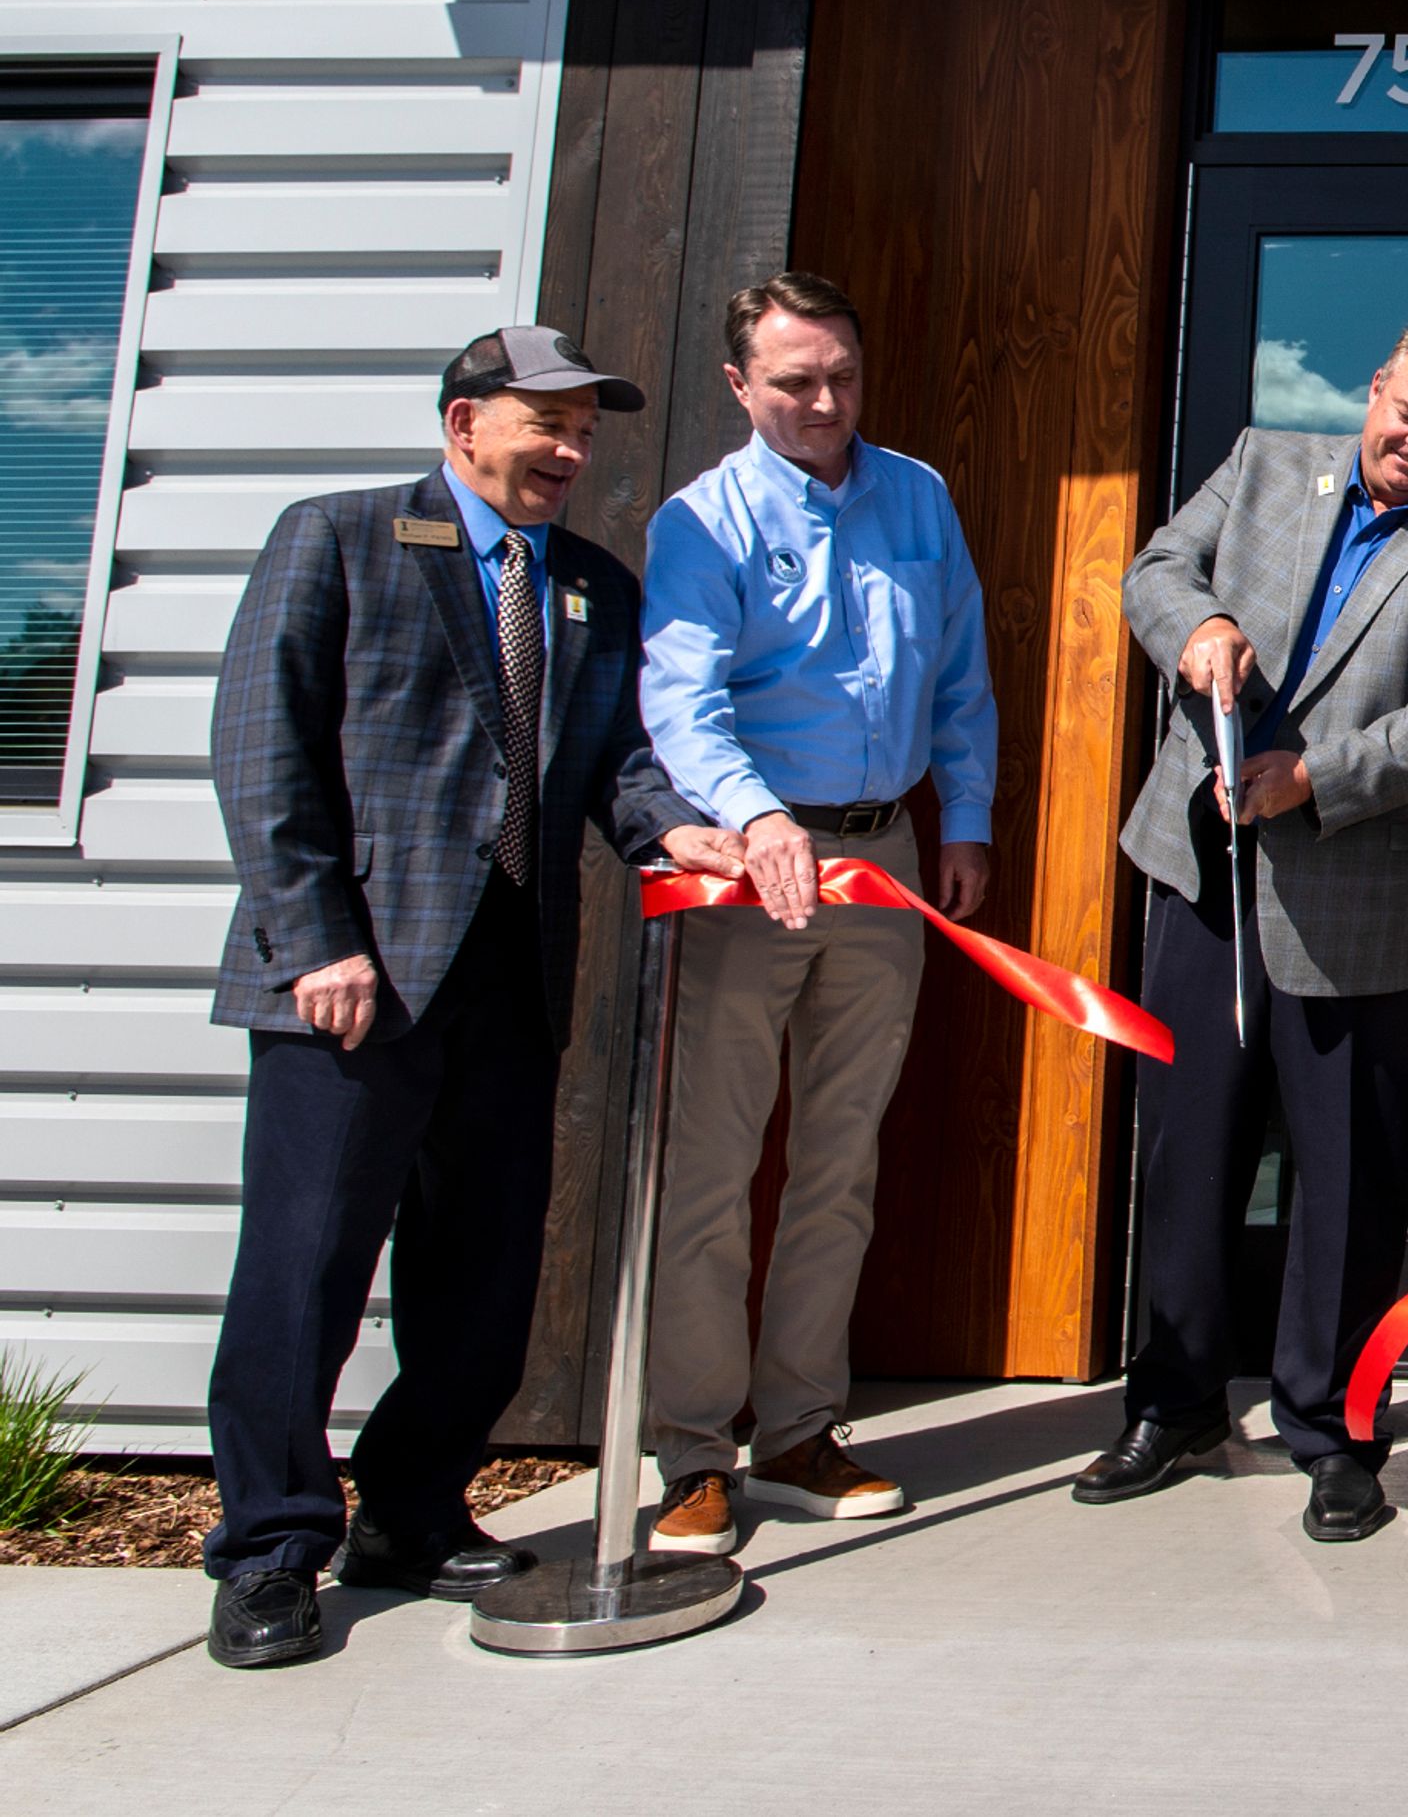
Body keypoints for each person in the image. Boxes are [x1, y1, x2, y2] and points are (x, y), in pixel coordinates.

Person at [198, 327, 744, 1671]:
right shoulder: (335, 538)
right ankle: (270, 1547)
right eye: (541, 423)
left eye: (582, 430)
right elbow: (262, 750)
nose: (566, 451)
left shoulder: (590, 591)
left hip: (512, 974)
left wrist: (680, 831)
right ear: (462, 424)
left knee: (486, 1269)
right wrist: (315, 938)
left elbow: (618, 764)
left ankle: (411, 1508)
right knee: (307, 1264)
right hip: (354, 979)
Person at [1073, 322, 1408, 1541]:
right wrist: (1197, 631)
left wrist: (1315, 776)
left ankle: (1334, 1427)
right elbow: (1155, 571)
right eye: (1406, 410)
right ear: (1373, 385)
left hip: (1362, 910)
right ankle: (1173, 1403)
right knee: (1188, 1154)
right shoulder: (1264, 463)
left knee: (1348, 1185)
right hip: (1204, 881)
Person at [635, 271, 999, 1556]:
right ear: (741, 387)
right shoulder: (702, 520)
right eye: (796, 381)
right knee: (713, 1169)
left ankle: (795, 1431)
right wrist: (756, 815)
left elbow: (959, 667)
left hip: (886, 861)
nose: (826, 400)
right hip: (753, 868)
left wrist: (965, 819)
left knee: (841, 1158)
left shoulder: (918, 494)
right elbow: (683, 703)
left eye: (842, 374)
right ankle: (691, 1448)